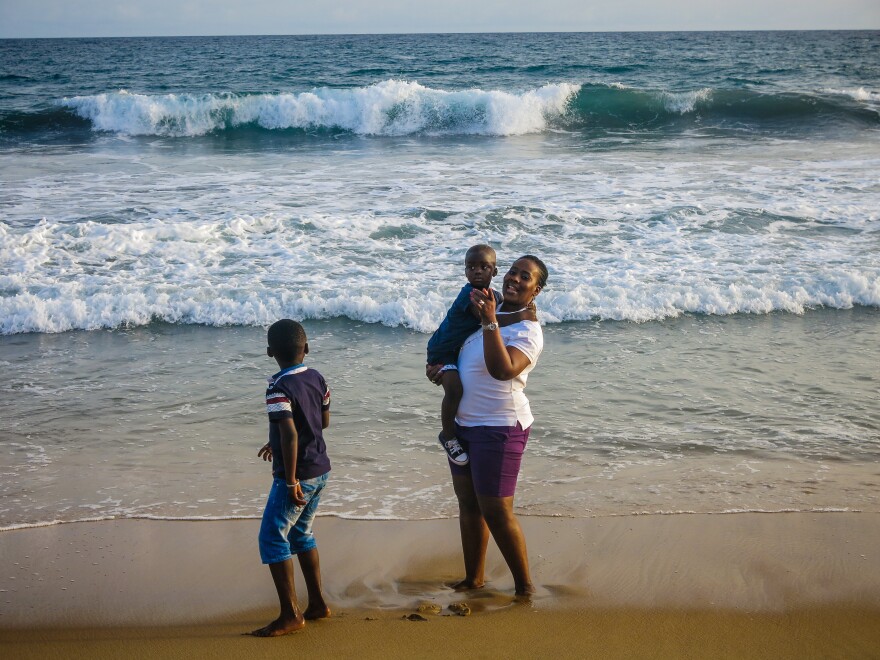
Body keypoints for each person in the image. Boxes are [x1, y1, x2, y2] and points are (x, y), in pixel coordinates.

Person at [427, 255, 547, 596]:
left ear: (535, 290)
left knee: (496, 510)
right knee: (468, 504)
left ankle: (524, 587)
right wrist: (439, 371)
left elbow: (502, 369)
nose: (514, 279)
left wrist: (490, 321)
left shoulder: (528, 331)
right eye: (512, 272)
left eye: (525, 277)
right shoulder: (489, 309)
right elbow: (464, 357)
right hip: (463, 424)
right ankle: (473, 579)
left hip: (500, 427)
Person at [250, 319, 332, 637]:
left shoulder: (277, 388)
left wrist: (291, 479)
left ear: (270, 352)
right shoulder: (317, 377)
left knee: (272, 538)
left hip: (298, 476)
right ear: (306, 348)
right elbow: (321, 421)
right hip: (321, 468)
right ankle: (318, 604)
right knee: (301, 534)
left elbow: (291, 434)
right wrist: (280, 440)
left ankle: (290, 614)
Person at [426, 244, 504, 466]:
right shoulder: (469, 295)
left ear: (494, 272)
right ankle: (448, 436)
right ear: (465, 271)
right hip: (442, 350)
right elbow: (485, 318)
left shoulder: (492, 294)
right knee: (455, 389)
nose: (477, 271)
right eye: (471, 267)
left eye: (484, 267)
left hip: (456, 349)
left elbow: (497, 307)